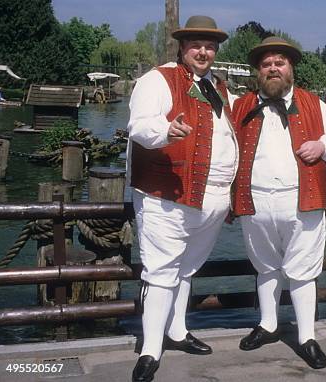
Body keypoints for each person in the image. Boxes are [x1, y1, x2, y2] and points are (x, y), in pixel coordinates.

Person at [126, 15, 237, 382]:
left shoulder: (219, 87)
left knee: (186, 269)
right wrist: (166, 129)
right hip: (166, 196)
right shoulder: (157, 79)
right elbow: (140, 125)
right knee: (160, 272)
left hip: (211, 200)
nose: (203, 51)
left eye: (209, 46)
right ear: (182, 46)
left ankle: (177, 331)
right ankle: (150, 350)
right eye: (196, 44)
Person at [231, 36, 326, 369]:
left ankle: (307, 336)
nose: (273, 68)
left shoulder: (314, 104)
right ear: (258, 71)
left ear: (291, 68)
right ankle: (268, 325)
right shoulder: (240, 106)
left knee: (302, 269)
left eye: (279, 63)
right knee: (265, 265)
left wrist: (322, 146)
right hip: (254, 201)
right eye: (267, 63)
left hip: (301, 201)